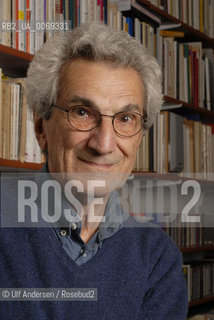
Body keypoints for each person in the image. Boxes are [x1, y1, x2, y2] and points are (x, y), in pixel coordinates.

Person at [0, 22, 188, 319]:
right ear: (41, 128)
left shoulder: (157, 257)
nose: (104, 143)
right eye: (82, 113)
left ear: (140, 136)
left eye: (126, 118)